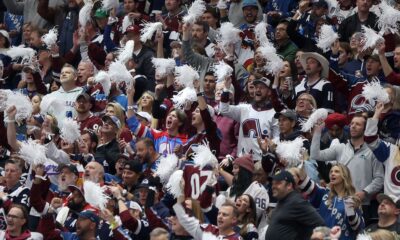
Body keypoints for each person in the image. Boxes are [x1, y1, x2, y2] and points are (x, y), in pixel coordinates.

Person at [310, 114, 384, 221]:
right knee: (338, 234)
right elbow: (315, 155)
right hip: (339, 201)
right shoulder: (341, 148)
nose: (353, 126)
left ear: (365, 129)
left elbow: (380, 178)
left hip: (361, 203)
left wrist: (365, 192)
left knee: (357, 234)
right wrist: (317, 132)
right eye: (352, 123)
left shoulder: (373, 151)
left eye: (357, 124)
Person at [299, 164, 365, 239]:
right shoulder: (325, 194)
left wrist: (351, 212)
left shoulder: (350, 200)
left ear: (344, 176)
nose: (332, 174)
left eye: (337, 171)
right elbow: (307, 184)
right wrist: (300, 164)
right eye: (331, 172)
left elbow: (357, 228)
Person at [220, 76, 279, 161]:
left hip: (262, 162)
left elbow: (277, 138)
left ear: (269, 92)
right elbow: (224, 110)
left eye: (262, 88)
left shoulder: (274, 113)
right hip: (242, 160)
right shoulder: (244, 108)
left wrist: (271, 146)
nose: (258, 90)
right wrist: (226, 90)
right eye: (256, 87)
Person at [265, 170, 325, 240]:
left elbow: (320, 225)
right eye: (273, 183)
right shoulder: (282, 201)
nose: (273, 186)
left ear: (289, 186)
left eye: (278, 183)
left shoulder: (296, 201)